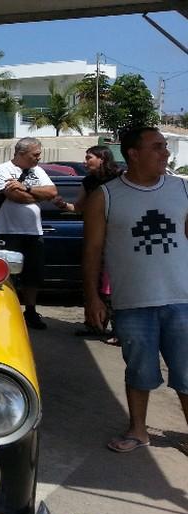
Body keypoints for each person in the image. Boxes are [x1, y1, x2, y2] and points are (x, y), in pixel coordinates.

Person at [83, 127, 188, 454]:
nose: (165, 153)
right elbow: (92, 249)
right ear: (133, 153)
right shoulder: (107, 195)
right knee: (139, 369)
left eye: (165, 147)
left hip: (182, 299)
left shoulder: (182, 189)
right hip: (133, 302)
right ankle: (138, 430)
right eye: (157, 147)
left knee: (187, 371)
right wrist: (92, 297)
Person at [0, 137, 59, 329]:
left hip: (33, 232)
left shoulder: (38, 171)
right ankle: (4, 311)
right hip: (7, 231)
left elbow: (53, 192)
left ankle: (30, 311)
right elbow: (15, 196)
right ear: (21, 154)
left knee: (33, 274)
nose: (38, 158)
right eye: (35, 154)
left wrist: (27, 187)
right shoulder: (2, 170)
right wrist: (37, 195)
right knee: (6, 274)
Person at [72, 145, 123, 343]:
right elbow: (78, 207)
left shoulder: (120, 177)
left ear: (102, 158)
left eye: (89, 157)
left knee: (117, 284)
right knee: (93, 280)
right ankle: (95, 324)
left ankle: (119, 330)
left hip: (118, 237)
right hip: (96, 236)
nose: (85, 162)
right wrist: (61, 204)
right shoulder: (88, 181)